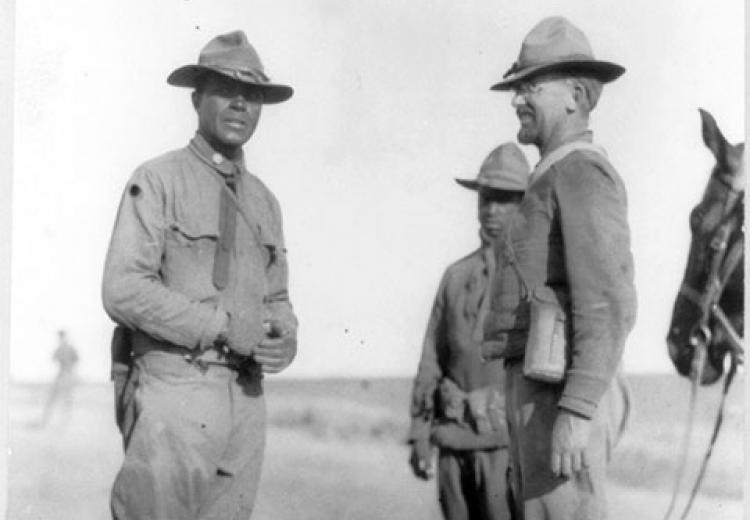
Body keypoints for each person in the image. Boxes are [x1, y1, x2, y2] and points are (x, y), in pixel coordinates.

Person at [102, 30, 298, 520]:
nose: (240, 104)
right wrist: (222, 328)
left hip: (246, 401)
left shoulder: (264, 201)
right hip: (176, 388)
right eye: (226, 89)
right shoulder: (157, 180)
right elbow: (123, 289)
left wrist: (286, 338)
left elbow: (278, 297)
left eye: (252, 95)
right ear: (197, 99)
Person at [482, 17, 636, 520]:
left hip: (561, 400)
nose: (516, 100)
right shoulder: (553, 173)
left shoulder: (581, 171)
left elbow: (608, 302)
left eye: (530, 87)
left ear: (574, 94)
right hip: (540, 395)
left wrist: (577, 408)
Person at [408, 142, 530, 520]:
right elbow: (432, 357)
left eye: (504, 200)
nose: (491, 209)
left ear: (524, 205)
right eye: (486, 198)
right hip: (453, 441)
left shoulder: (535, 280)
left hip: (507, 447)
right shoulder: (456, 276)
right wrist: (419, 434)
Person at [38, 329, 79, 427]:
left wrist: (70, 371)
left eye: (62, 336)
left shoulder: (69, 348)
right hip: (62, 375)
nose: (61, 339)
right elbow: (54, 358)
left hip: (67, 375)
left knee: (66, 400)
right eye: (60, 337)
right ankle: (47, 422)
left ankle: (64, 423)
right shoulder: (60, 348)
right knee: (54, 398)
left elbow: (76, 360)